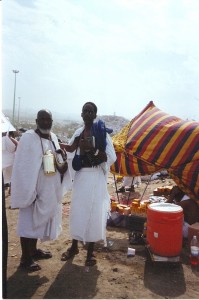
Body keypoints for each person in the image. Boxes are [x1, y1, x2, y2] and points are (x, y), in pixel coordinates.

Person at [11, 109, 71, 272]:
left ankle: (34, 251)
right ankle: (25, 258)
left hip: (48, 190)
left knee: (39, 223)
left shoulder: (52, 137)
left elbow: (57, 162)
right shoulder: (28, 138)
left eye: (49, 120)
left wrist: (63, 167)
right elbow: (23, 167)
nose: (46, 122)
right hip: (32, 190)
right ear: (37, 121)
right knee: (28, 222)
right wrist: (29, 190)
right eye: (43, 119)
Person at [59, 102, 116, 266]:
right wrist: (56, 144)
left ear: (95, 114)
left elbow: (111, 157)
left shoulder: (102, 133)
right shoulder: (78, 131)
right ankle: (74, 246)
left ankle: (90, 253)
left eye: (91, 111)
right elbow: (70, 149)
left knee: (93, 212)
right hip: (82, 177)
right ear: (82, 114)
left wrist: (94, 151)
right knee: (78, 211)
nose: (88, 113)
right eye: (85, 111)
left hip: (96, 177)